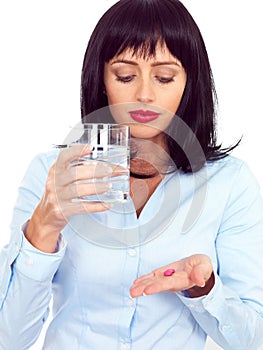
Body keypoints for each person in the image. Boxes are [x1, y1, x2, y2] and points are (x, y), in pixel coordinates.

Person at [0, 0, 263, 349]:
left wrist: (204, 290)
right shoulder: (52, 174)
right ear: (102, 80)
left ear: (189, 82)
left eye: (165, 77)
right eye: (125, 75)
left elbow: (252, 340)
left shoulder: (229, 183)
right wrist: (42, 228)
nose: (144, 94)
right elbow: (10, 339)